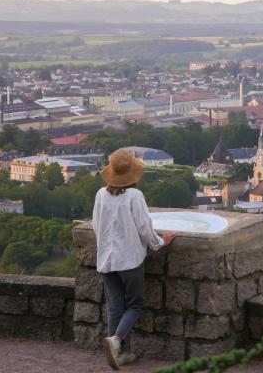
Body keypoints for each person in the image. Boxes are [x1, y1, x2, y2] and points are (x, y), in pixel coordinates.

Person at [92, 149, 176, 370]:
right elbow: (144, 228)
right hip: (128, 259)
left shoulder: (101, 193)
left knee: (115, 307)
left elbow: (95, 225)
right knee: (136, 305)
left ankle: (118, 354)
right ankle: (117, 341)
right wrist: (161, 243)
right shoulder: (134, 196)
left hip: (105, 260)